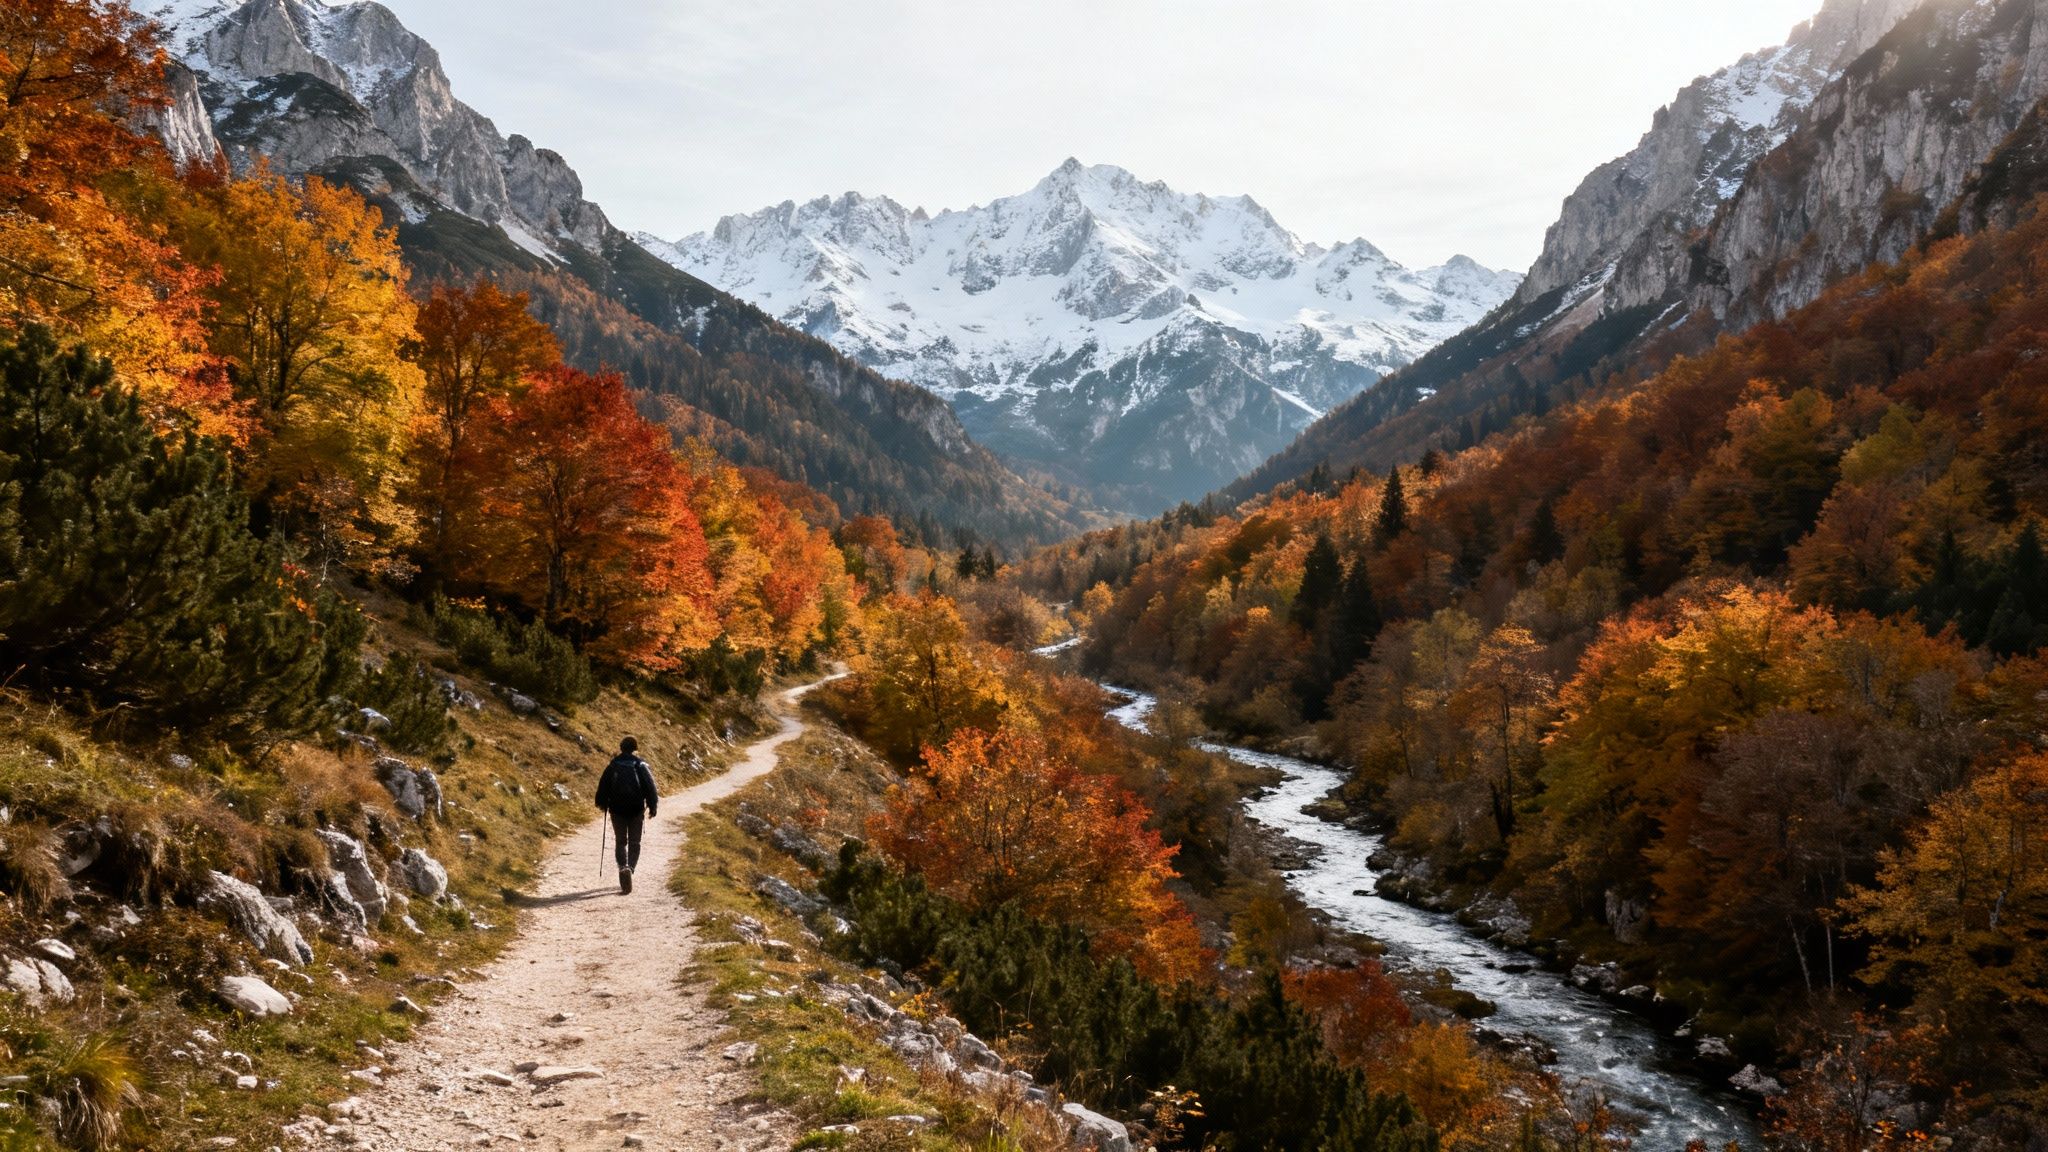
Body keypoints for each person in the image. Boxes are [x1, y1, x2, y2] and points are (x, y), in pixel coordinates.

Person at [594, 736, 658, 893]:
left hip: (617, 810)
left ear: (621, 747)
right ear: (635, 748)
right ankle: (630, 868)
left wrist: (603, 804)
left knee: (621, 842)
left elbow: (603, 787)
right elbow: (651, 787)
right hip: (636, 810)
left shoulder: (613, 765)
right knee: (635, 842)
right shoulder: (640, 765)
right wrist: (652, 806)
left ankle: (623, 867)